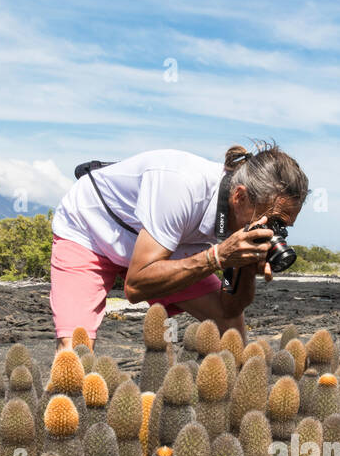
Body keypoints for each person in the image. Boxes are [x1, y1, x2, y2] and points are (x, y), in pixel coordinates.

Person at [49, 142, 308, 348]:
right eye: (270, 220)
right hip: (90, 229)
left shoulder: (241, 218)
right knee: (75, 349)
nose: (272, 230)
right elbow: (136, 287)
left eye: (281, 226)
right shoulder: (182, 186)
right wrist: (217, 257)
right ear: (239, 196)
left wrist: (246, 268)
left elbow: (230, 309)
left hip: (167, 244)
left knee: (231, 330)